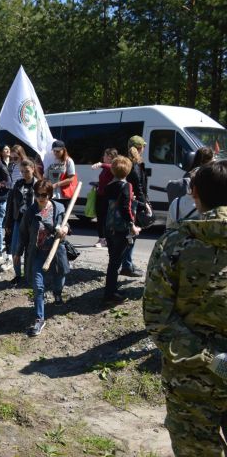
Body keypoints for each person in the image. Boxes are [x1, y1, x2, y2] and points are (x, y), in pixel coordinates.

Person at [143, 160, 227, 456]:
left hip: (191, 383)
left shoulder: (173, 245)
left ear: (194, 194)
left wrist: (211, 359)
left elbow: (158, 318)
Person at [17, 179, 70, 337]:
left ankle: (58, 293)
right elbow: (23, 233)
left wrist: (65, 229)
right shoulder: (30, 212)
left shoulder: (58, 208)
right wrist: (18, 252)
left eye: (44, 195)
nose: (40, 197)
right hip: (37, 253)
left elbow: (66, 224)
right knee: (38, 286)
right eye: (37, 194)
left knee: (60, 276)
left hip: (55, 250)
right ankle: (40, 319)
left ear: (50, 195)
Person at [102, 156, 140, 302]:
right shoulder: (126, 186)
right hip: (120, 229)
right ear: (128, 170)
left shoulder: (109, 186)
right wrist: (132, 225)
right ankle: (110, 294)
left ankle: (111, 289)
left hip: (109, 228)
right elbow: (125, 208)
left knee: (113, 260)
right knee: (115, 262)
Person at [4, 158, 38, 286]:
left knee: (31, 250)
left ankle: (29, 276)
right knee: (15, 249)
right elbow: (10, 205)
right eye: (22, 171)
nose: (24, 174)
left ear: (33, 169)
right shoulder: (17, 184)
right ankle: (18, 275)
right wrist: (8, 223)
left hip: (33, 222)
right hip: (18, 221)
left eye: (27, 171)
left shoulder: (39, 185)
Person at [122, 136, 150, 277]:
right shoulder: (136, 164)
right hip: (134, 203)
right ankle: (127, 265)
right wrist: (145, 203)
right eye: (143, 146)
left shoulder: (128, 162)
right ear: (140, 148)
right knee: (132, 235)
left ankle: (128, 263)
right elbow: (139, 186)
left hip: (131, 201)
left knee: (131, 235)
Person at [91, 148, 119, 247]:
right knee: (100, 218)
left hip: (107, 197)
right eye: (105, 155)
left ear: (112, 158)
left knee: (105, 219)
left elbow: (110, 167)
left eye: (107, 156)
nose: (104, 157)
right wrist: (98, 184)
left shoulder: (114, 167)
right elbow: (105, 181)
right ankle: (102, 239)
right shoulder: (105, 169)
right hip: (100, 195)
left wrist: (100, 164)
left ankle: (104, 240)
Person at [45, 140, 77, 207]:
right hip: (51, 195)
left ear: (63, 150)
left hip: (63, 196)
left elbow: (71, 178)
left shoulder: (69, 161)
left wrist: (57, 184)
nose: (56, 153)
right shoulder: (50, 161)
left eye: (58, 151)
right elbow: (46, 177)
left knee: (62, 216)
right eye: (54, 151)